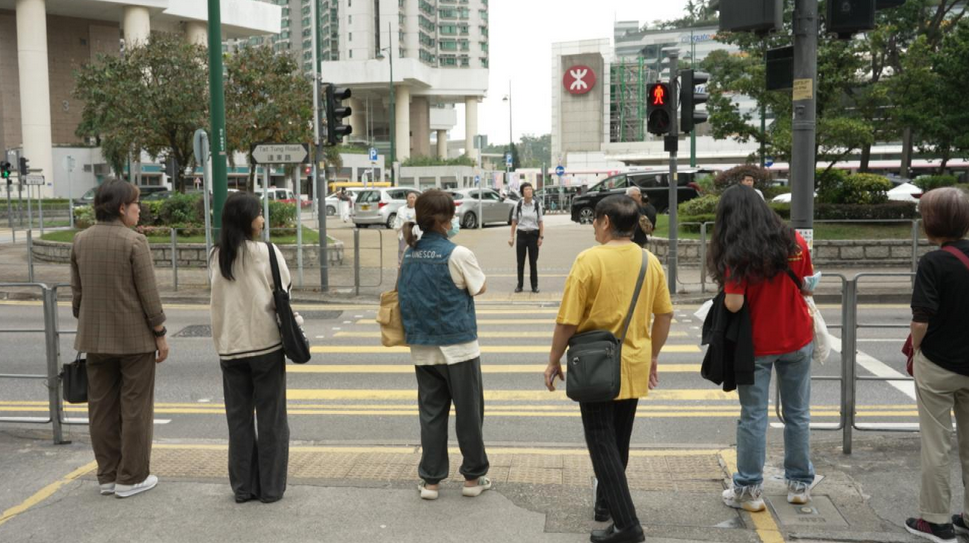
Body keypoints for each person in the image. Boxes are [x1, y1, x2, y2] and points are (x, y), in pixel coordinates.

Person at [544, 195, 674, 543]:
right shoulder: (650, 262)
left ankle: (628, 525)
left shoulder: (588, 260)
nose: (592, 227)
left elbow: (568, 320)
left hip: (595, 365)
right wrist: (654, 355)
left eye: (594, 221)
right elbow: (664, 315)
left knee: (601, 443)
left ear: (604, 222)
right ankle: (606, 507)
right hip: (632, 363)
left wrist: (553, 359)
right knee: (618, 442)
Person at [709, 185, 815, 513]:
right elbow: (808, 283)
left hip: (756, 345)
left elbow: (735, 303)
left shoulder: (737, 252)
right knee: (798, 413)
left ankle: (749, 490)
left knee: (754, 416)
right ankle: (799, 485)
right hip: (798, 337)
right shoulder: (794, 242)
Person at [70, 179, 168, 499]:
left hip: (94, 339)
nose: (140, 210)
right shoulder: (134, 243)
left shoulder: (80, 240)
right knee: (135, 408)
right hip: (135, 341)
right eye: (136, 204)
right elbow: (149, 295)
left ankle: (107, 476)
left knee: (101, 409)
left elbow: (77, 297)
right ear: (122, 208)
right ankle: (132, 476)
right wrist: (160, 334)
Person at [398, 190, 492, 501]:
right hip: (459, 348)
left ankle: (431, 482)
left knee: (431, 414)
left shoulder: (409, 254)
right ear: (445, 220)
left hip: (423, 348)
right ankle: (472, 478)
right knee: (468, 413)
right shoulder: (459, 254)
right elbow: (479, 287)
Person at [209, 192, 293, 504]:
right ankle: (270, 489)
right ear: (247, 219)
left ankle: (243, 488)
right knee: (271, 419)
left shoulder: (216, 255)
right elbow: (283, 292)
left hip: (230, 348)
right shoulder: (267, 252)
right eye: (259, 213)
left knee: (239, 420)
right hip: (266, 345)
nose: (262, 219)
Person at [903, 187, 969, 543]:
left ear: (931, 224)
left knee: (937, 444)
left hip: (940, 365)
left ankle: (936, 521)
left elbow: (921, 319)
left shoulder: (933, 262)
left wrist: (916, 350)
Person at [508, 182, 544, 293]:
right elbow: (514, 221)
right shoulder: (518, 205)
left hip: (533, 235)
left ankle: (534, 286)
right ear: (523, 192)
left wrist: (541, 237)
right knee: (520, 262)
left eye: (530, 189)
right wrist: (512, 237)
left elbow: (540, 222)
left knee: (533, 262)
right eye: (527, 189)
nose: (529, 191)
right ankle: (520, 285)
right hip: (522, 235)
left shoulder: (537, 205)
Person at [393, 191, 418, 265]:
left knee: (414, 252)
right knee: (402, 251)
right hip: (403, 235)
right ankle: (401, 267)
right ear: (407, 199)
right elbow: (397, 222)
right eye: (410, 197)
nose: (412, 199)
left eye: (414, 197)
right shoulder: (401, 209)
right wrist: (397, 230)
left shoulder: (419, 209)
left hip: (415, 236)